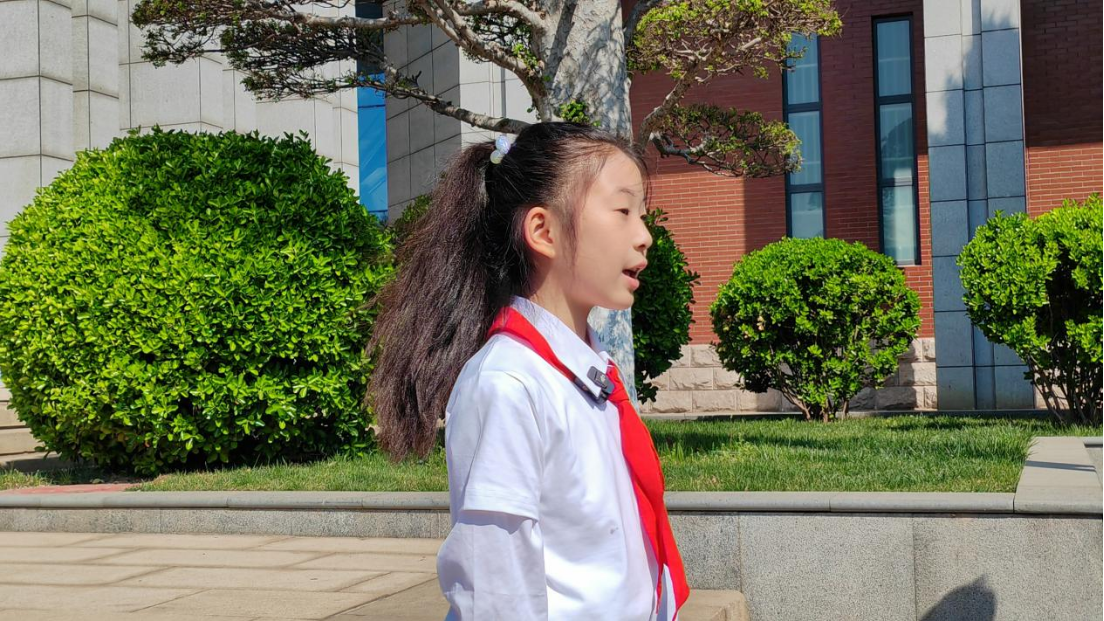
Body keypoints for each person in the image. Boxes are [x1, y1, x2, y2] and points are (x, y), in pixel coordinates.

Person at [366, 122, 690, 620]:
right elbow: (496, 593)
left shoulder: (588, 373)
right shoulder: (507, 384)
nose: (645, 236)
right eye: (623, 212)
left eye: (642, 216)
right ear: (543, 231)